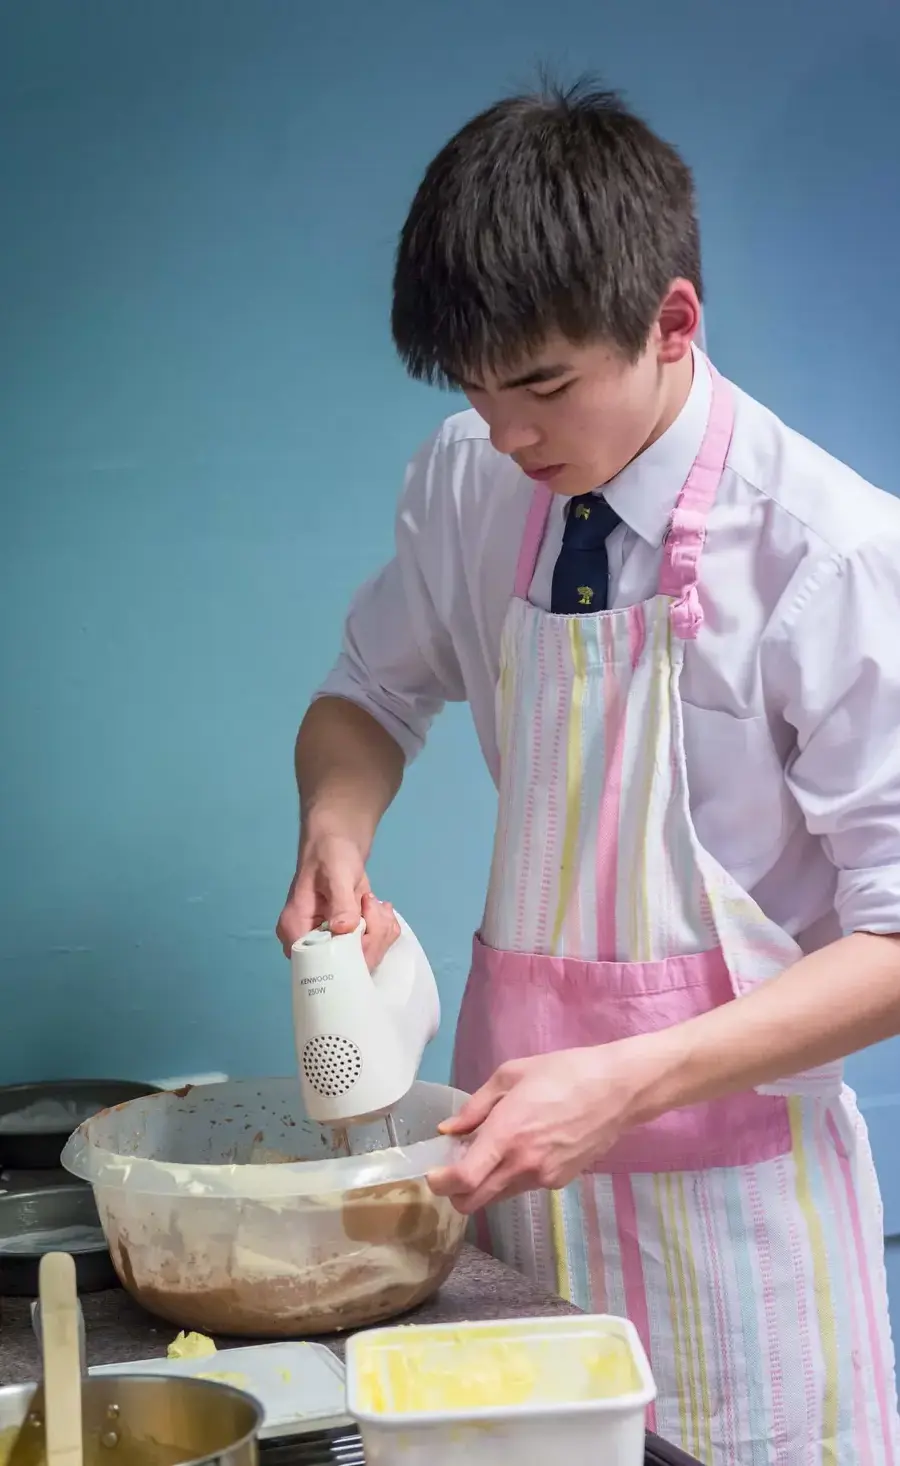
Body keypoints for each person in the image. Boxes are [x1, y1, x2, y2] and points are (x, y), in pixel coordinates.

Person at [276, 80, 900, 1464]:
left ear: (673, 321)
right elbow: (365, 695)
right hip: (518, 1198)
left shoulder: (832, 554)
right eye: (476, 388)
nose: (507, 430)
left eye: (544, 384)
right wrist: (338, 826)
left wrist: (622, 1079)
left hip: (745, 1246)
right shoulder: (470, 481)